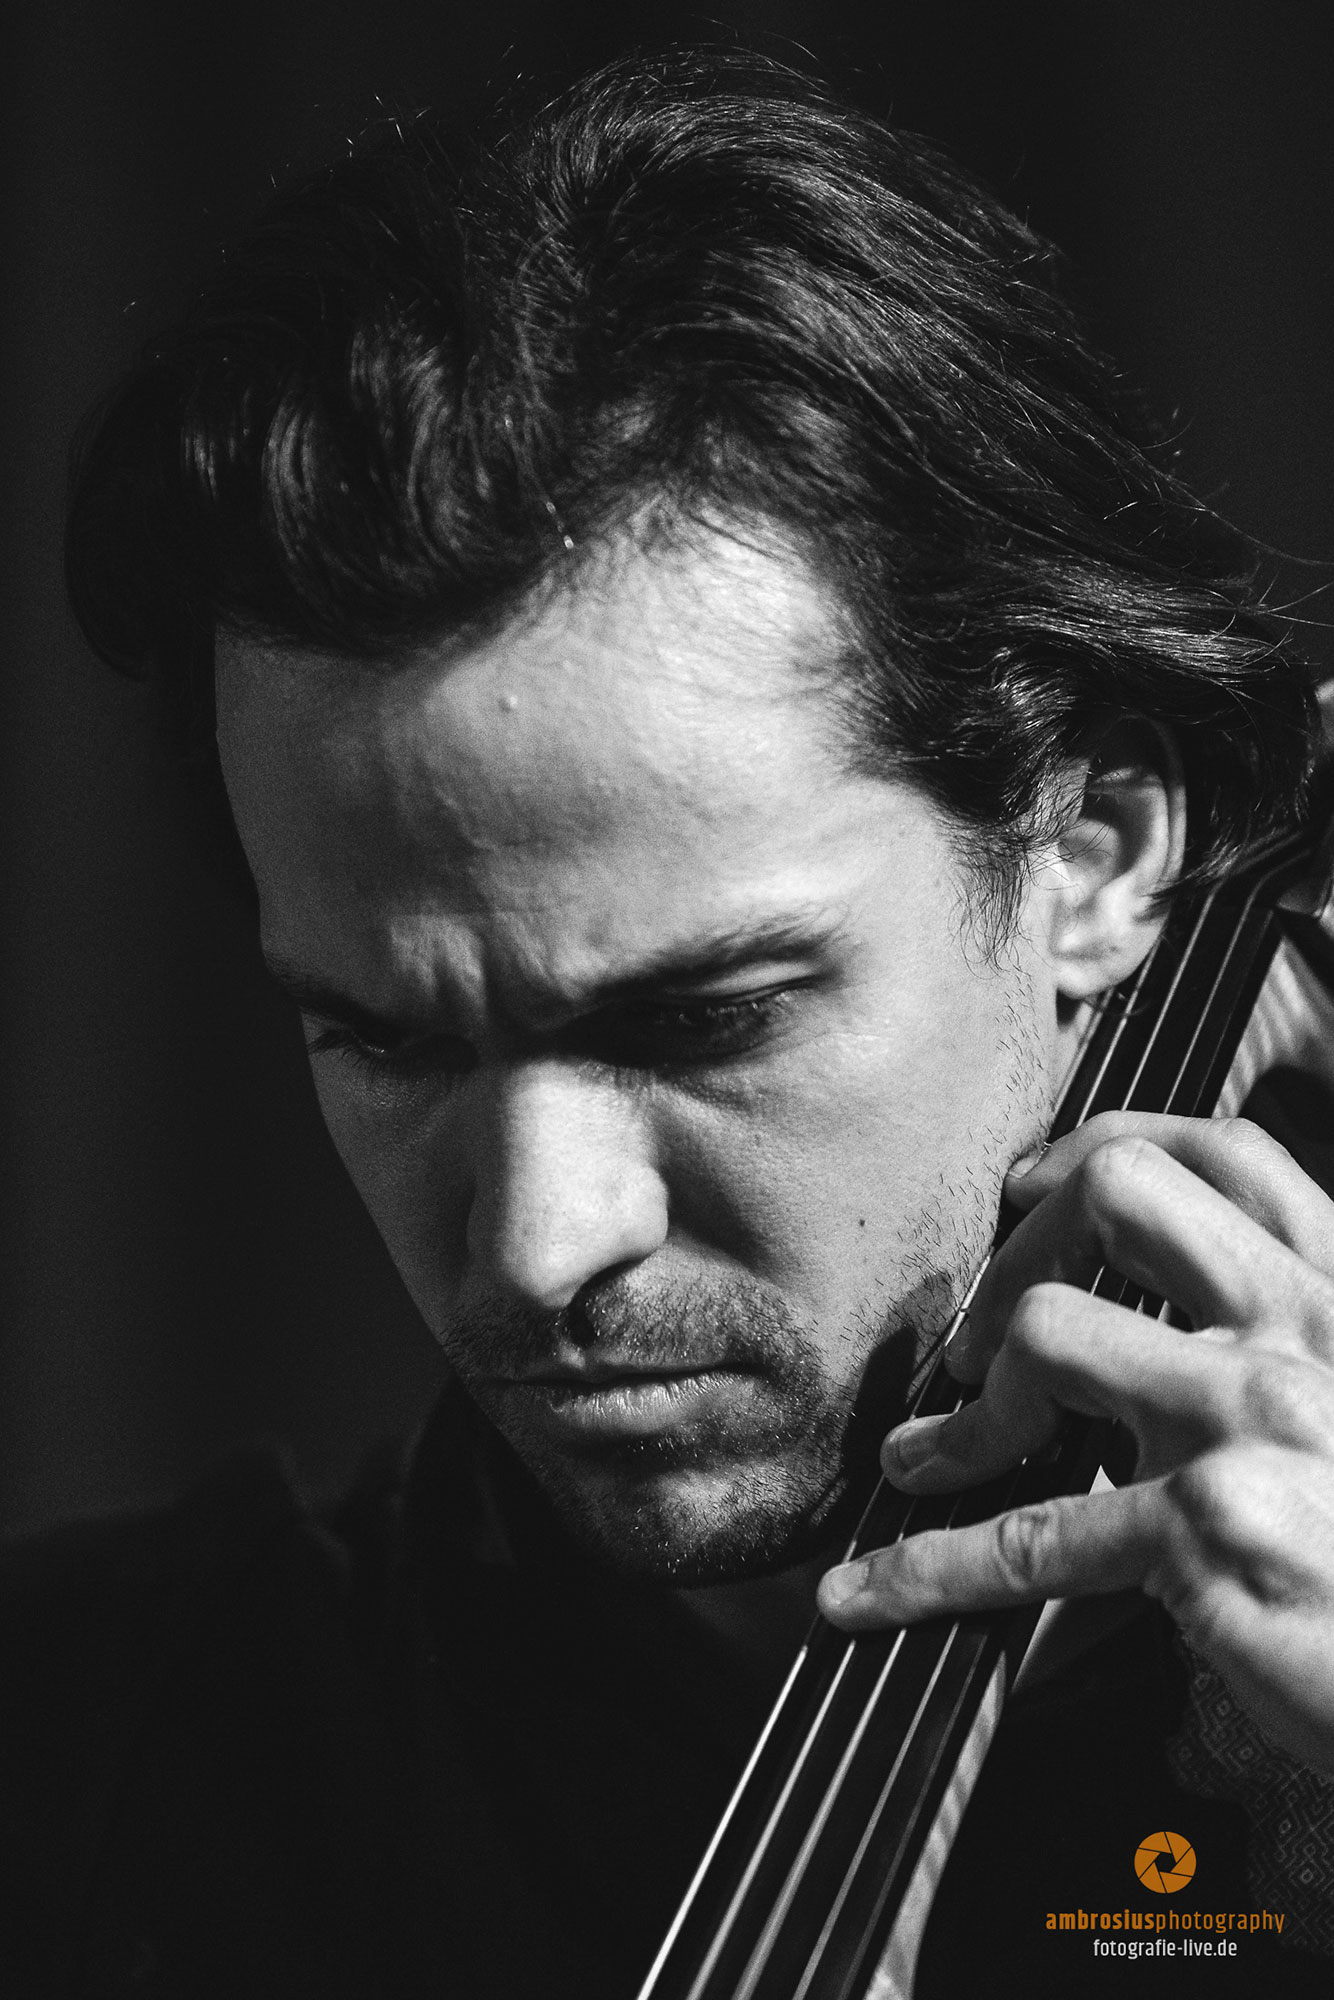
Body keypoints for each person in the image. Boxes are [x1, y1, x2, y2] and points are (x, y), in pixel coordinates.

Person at [15, 50, 1334, 1998]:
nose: (539, 1246)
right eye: (386, 1041)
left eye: (705, 1017)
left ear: (1094, 853)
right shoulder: (75, 1760)